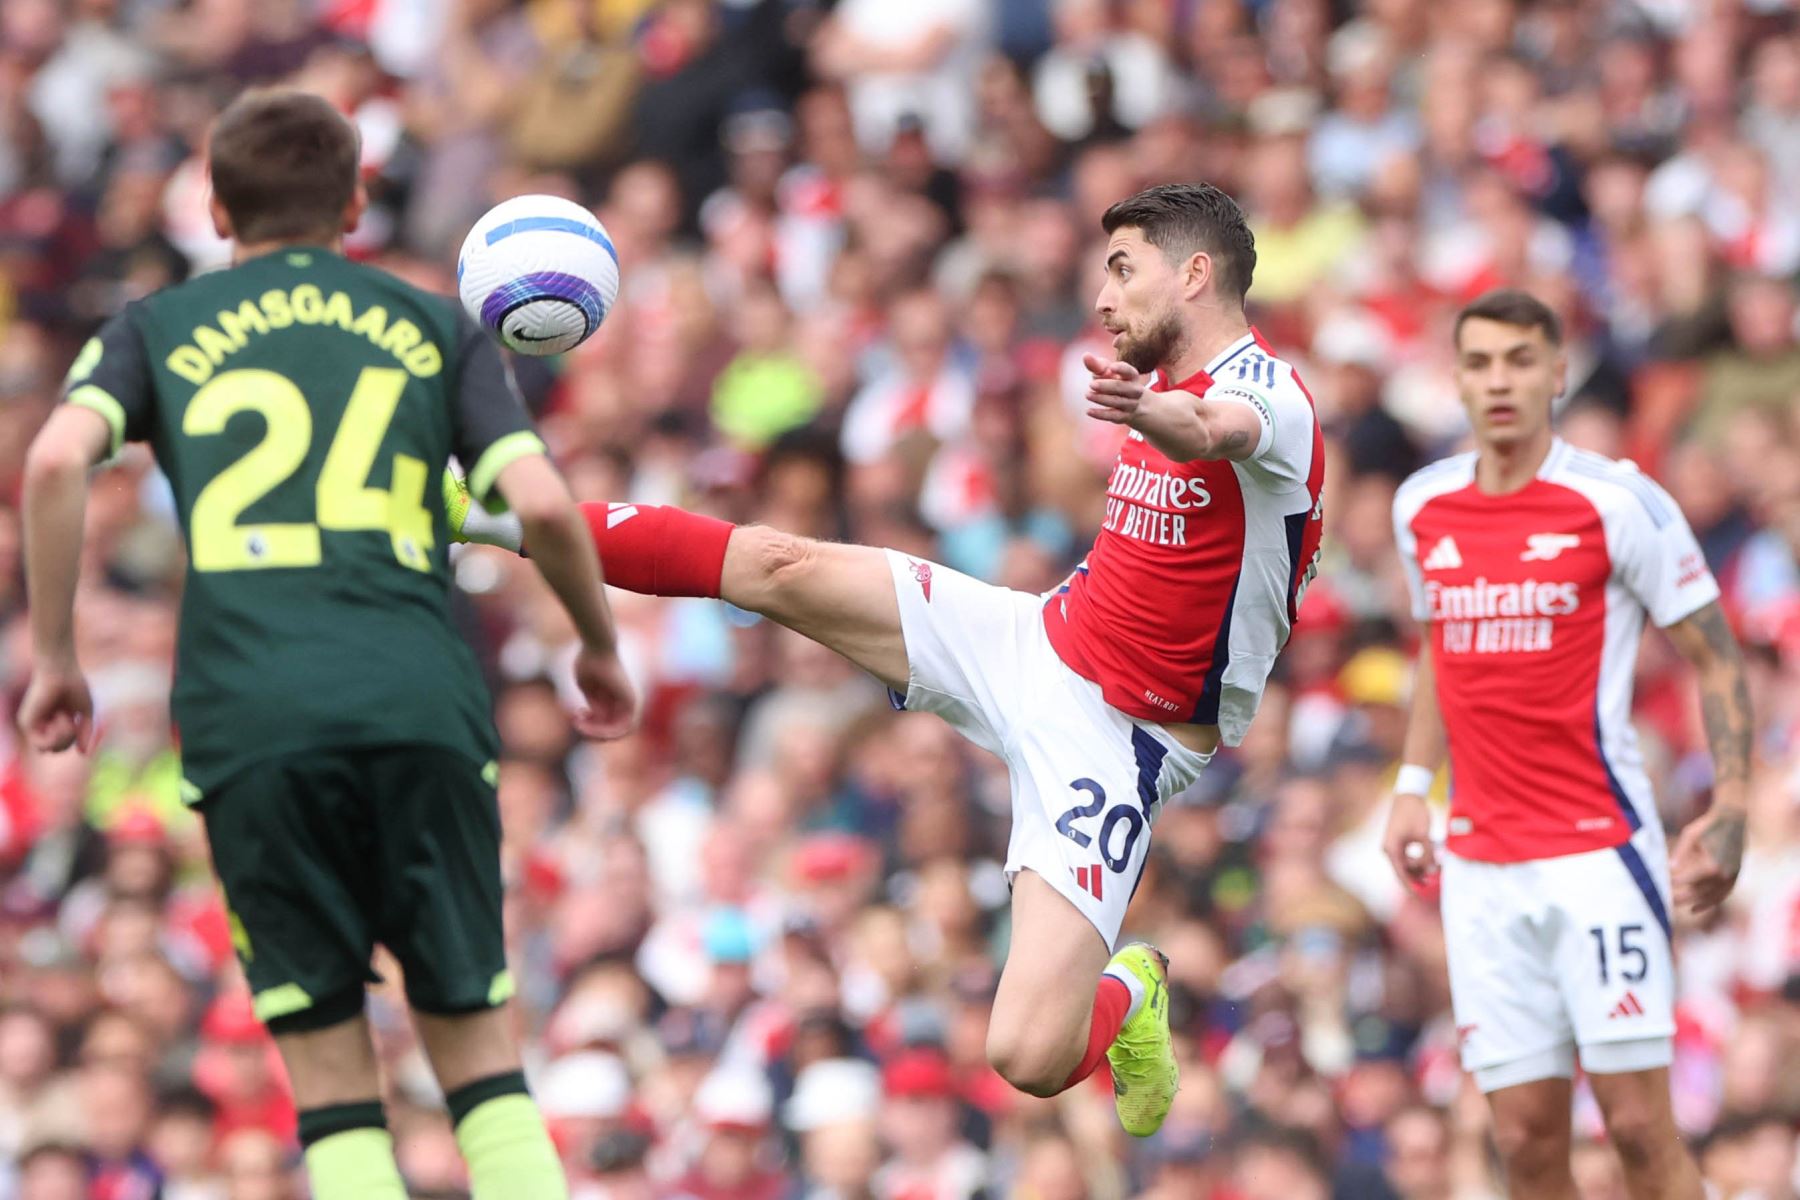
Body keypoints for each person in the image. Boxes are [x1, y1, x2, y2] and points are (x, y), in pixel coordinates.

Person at [455, 182, 1327, 1136]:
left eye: (1123, 270)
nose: (1104, 297)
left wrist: (1153, 416)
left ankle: (1134, 989)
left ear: (1197, 274)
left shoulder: (1268, 396)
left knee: (1027, 1057)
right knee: (775, 565)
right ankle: (477, 512)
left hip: (1124, 739)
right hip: (1033, 639)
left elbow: (1215, 432)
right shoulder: (1161, 384)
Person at [18, 89, 636, 1200]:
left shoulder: (158, 326)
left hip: (250, 719)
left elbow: (58, 462)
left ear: (213, 206)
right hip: (416, 702)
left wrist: (56, 654)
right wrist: (594, 644)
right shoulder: (431, 324)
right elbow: (541, 502)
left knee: (330, 1070)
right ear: (355, 202)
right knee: (478, 1058)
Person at [1383, 289, 1750, 1200]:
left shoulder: (1617, 501)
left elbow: (1716, 655)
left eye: (1518, 360)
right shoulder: (1421, 505)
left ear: (1556, 372)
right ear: (1457, 378)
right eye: (1479, 363)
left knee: (1635, 1126)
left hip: (1598, 851)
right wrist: (1409, 783)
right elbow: (1441, 643)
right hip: (1481, 865)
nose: (1498, 380)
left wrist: (1733, 808)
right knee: (1525, 1139)